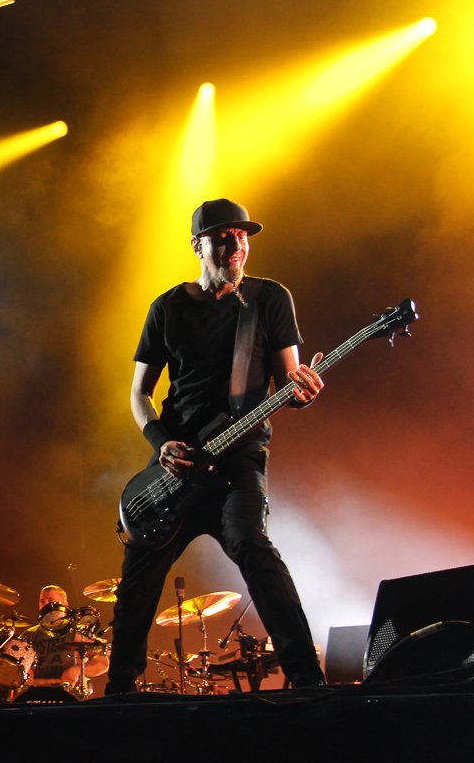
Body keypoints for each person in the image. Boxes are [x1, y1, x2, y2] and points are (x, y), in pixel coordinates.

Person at [107, 198, 326, 693]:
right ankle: (119, 694)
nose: (236, 244)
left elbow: (290, 380)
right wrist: (161, 443)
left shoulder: (270, 299)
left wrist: (303, 392)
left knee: (253, 546)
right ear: (197, 245)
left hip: (239, 458)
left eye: (243, 235)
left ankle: (308, 681)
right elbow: (139, 393)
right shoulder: (167, 307)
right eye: (224, 236)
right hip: (176, 466)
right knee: (137, 580)